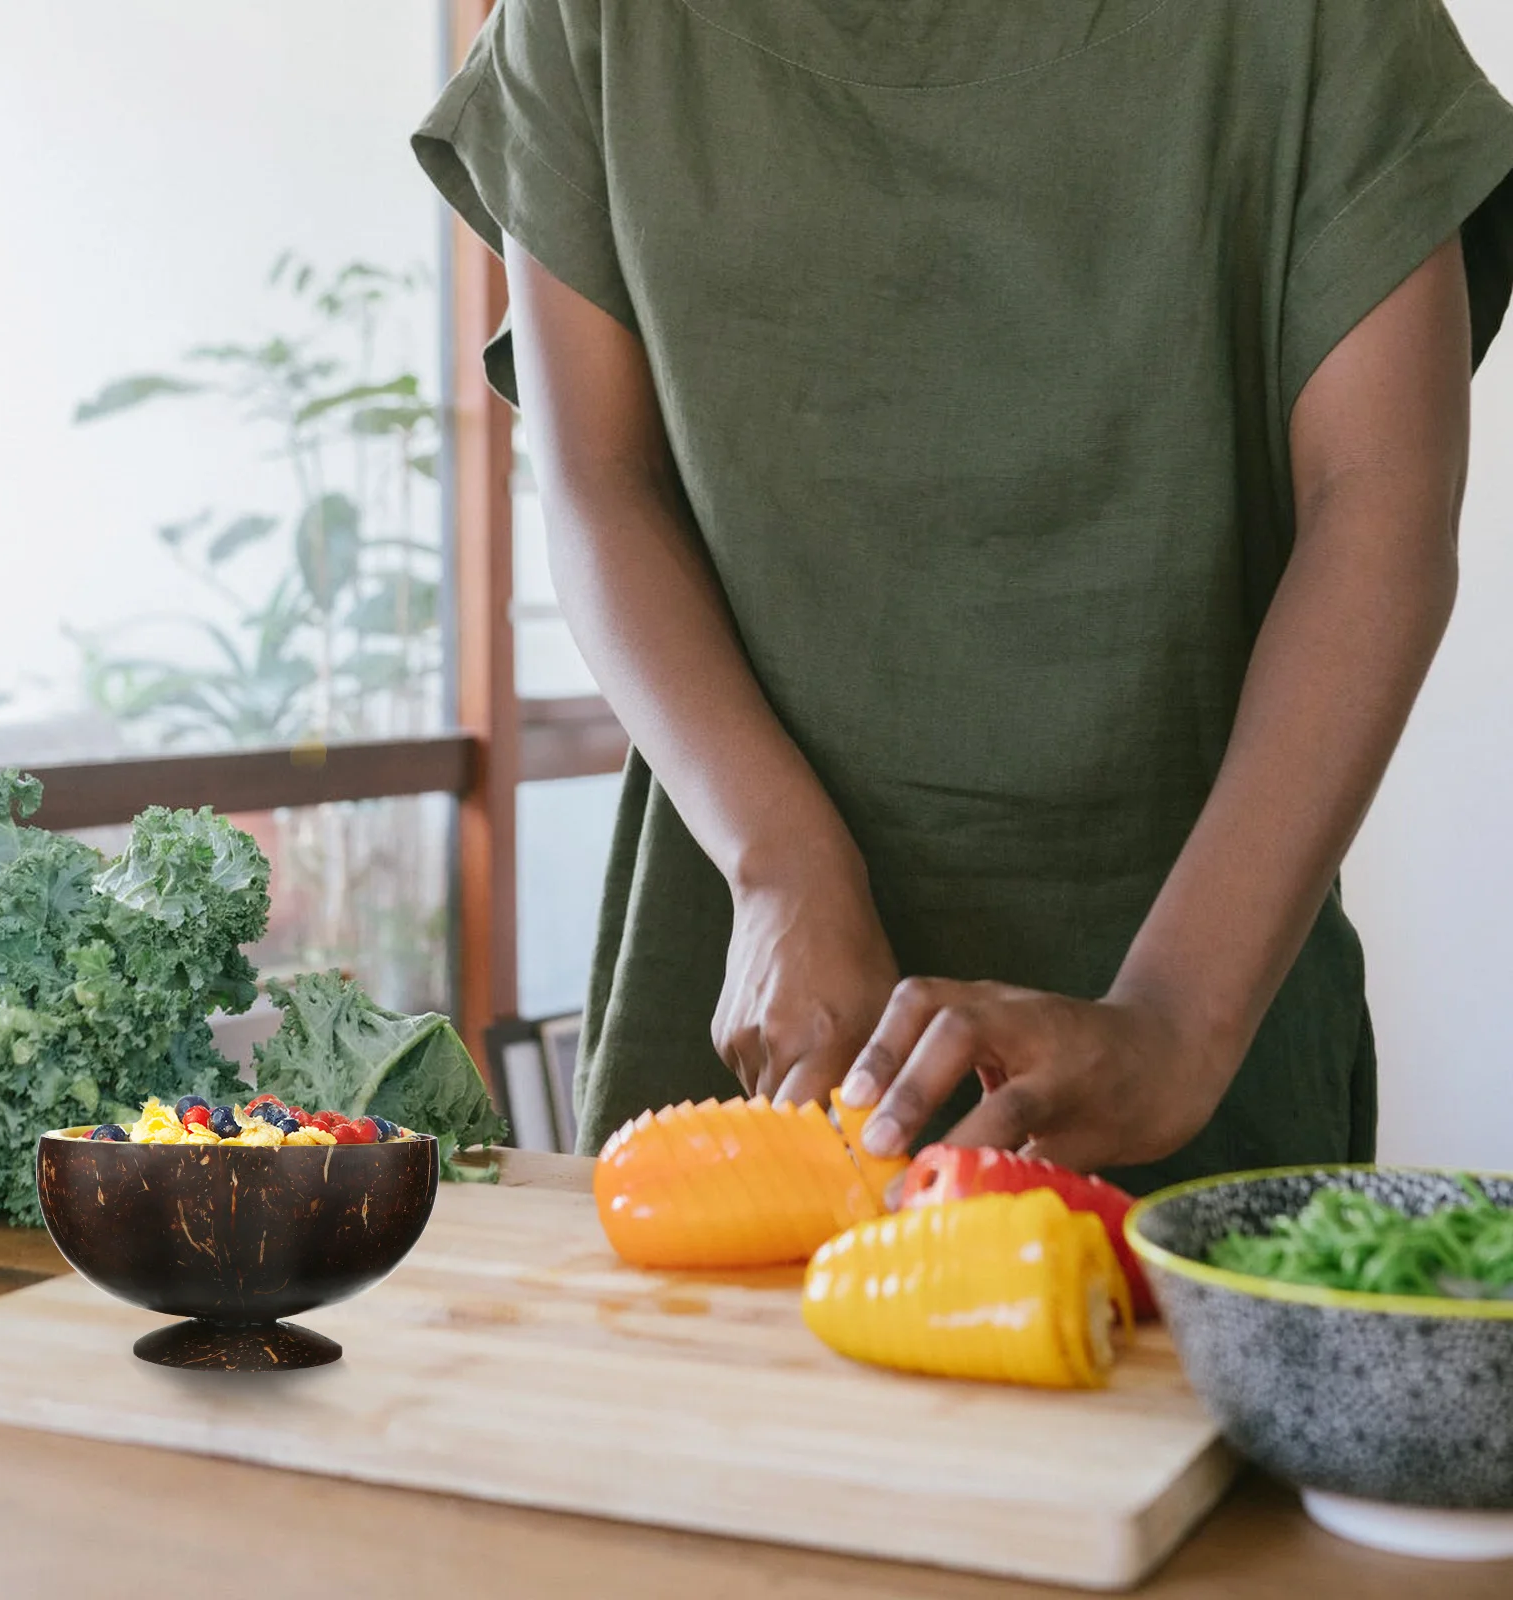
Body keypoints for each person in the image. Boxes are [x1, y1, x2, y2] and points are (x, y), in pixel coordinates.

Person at [416, 0, 1513, 1190]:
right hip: (750, 982)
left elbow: (1378, 508)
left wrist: (1174, 1019)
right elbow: (597, 478)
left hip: (1206, 985)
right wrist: (778, 861)